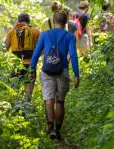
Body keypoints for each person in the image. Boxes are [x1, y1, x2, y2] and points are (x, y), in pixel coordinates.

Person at [29, 10, 80, 140]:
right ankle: (58, 131)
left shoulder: (45, 34)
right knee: (60, 101)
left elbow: (36, 53)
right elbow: (73, 56)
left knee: (49, 101)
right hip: (62, 71)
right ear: (66, 21)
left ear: (53, 21)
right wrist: (77, 74)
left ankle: (50, 128)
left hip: (47, 71)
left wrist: (32, 70)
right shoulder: (69, 37)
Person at [5, 13, 40, 102]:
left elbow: (5, 48)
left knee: (13, 90)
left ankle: (14, 110)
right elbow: (42, 49)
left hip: (16, 65)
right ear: (29, 21)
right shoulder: (36, 32)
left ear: (18, 21)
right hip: (30, 65)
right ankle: (26, 112)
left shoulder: (12, 31)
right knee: (28, 93)